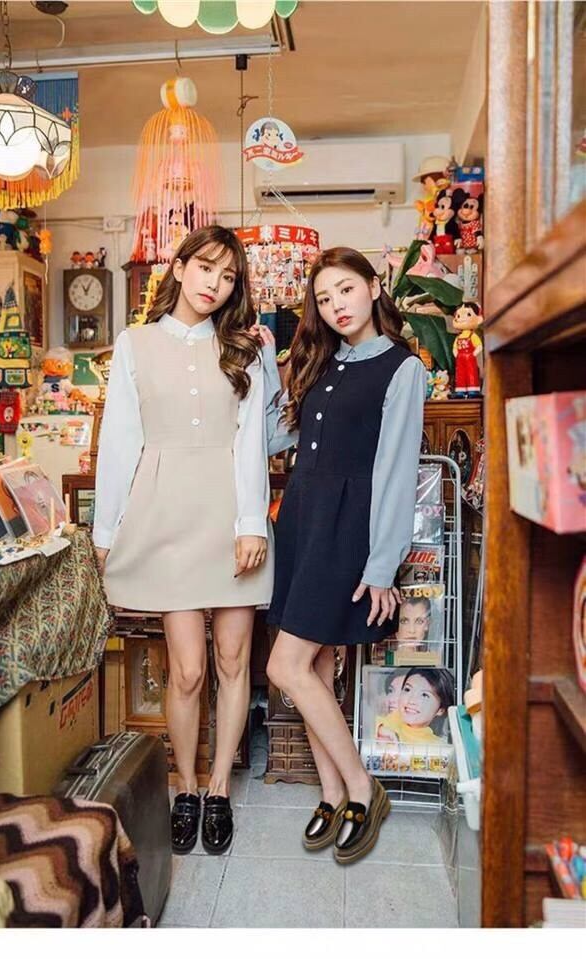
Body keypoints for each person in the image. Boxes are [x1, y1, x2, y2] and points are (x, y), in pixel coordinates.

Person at [93, 225, 273, 856]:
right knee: (189, 669)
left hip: (230, 516)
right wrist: (106, 529)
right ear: (179, 266)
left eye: (228, 277)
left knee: (233, 661)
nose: (214, 285)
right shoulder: (134, 344)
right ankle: (186, 786)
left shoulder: (245, 349)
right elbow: (120, 441)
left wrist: (251, 523)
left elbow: (253, 440)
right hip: (166, 517)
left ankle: (218, 788)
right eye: (205, 268)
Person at [256, 246, 426, 865]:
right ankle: (331, 794)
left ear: (374, 287)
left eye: (346, 290)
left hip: (347, 528)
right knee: (316, 666)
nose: (336, 307)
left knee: (285, 666)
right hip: (303, 518)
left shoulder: (403, 368)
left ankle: (361, 787)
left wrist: (382, 564)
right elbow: (274, 437)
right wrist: (269, 368)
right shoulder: (324, 363)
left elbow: (398, 470)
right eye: (324, 299)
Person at [375, 667, 454, 745]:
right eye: (407, 689)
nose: (411, 701)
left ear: (441, 710)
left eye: (424, 695)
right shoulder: (386, 722)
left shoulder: (438, 746)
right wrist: (380, 730)